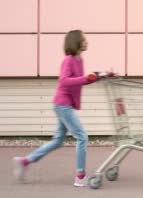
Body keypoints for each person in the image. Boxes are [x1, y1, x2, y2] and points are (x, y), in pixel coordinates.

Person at [13, 30, 110, 187]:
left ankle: (25, 161)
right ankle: (80, 176)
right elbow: (64, 81)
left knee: (58, 141)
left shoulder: (80, 60)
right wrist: (86, 78)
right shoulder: (69, 60)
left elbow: (80, 81)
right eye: (83, 40)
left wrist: (97, 77)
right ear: (75, 42)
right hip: (62, 104)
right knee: (82, 137)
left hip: (65, 104)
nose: (86, 42)